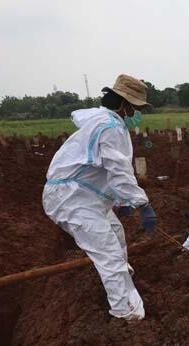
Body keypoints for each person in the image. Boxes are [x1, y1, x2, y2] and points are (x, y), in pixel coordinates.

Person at [42, 74, 157, 321]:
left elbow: (103, 166)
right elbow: (119, 172)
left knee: (116, 234)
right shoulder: (110, 127)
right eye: (135, 108)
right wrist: (142, 204)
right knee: (109, 254)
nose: (137, 114)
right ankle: (127, 314)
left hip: (87, 196)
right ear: (124, 105)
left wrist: (121, 202)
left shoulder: (102, 119)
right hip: (71, 199)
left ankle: (124, 283)